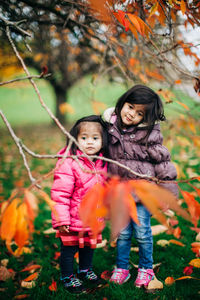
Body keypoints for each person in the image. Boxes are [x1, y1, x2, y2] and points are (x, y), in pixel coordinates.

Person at [103, 84, 178, 289]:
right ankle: (122, 268)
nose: (131, 114)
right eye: (130, 107)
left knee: (143, 233)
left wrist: (168, 195)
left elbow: (163, 165)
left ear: (145, 118)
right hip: (119, 195)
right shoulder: (110, 129)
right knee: (123, 233)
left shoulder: (149, 137)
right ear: (122, 102)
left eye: (139, 113)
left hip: (142, 195)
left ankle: (146, 268)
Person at [51, 115, 108, 294]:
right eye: (84, 138)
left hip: (92, 219)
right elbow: (60, 194)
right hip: (71, 220)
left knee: (88, 247)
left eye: (95, 138)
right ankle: (67, 276)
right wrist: (62, 220)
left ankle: (85, 270)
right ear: (75, 140)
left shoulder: (103, 163)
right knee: (69, 250)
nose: (89, 142)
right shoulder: (69, 163)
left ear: (103, 141)